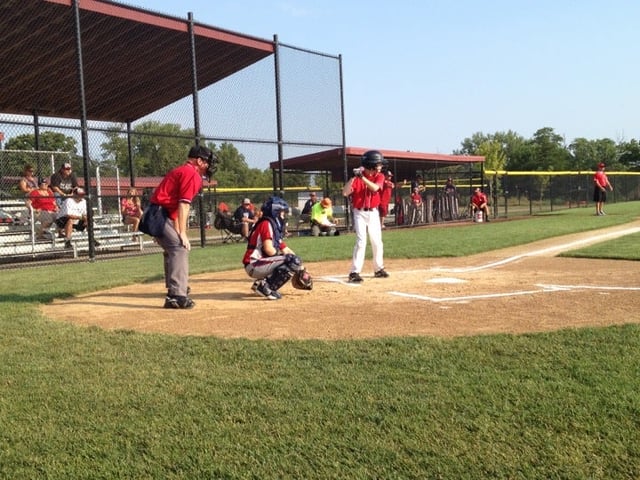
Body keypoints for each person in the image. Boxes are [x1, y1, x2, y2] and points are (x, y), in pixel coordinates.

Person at [148, 145, 217, 309]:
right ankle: (177, 295)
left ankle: (175, 289)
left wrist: (178, 230)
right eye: (207, 162)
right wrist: (183, 233)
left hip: (158, 214)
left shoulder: (183, 171)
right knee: (179, 248)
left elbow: (176, 210)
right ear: (198, 161)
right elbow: (184, 205)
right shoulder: (192, 174)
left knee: (172, 248)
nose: (208, 166)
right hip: (159, 214)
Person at [242, 196, 305, 300]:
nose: (283, 215)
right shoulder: (266, 224)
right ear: (275, 212)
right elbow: (269, 250)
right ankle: (266, 287)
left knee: (293, 260)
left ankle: (261, 283)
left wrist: (300, 268)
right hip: (255, 263)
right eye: (282, 212)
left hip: (256, 263)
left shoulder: (271, 224)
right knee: (291, 260)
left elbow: (286, 250)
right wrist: (290, 262)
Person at [342, 150, 388, 283]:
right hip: (359, 213)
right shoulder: (357, 178)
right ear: (371, 164)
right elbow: (345, 193)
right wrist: (352, 177)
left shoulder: (379, 176)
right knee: (361, 241)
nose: (380, 166)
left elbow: (375, 188)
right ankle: (354, 272)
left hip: (373, 212)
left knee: (377, 241)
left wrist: (362, 177)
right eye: (378, 164)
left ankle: (378, 269)